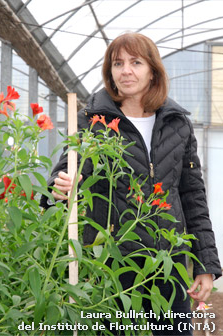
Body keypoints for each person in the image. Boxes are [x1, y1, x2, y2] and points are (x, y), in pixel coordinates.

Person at [40, 33, 222, 335]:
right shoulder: (94, 119)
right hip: (112, 265)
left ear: (153, 70)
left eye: (136, 62)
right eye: (118, 63)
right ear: (109, 71)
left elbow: (193, 197)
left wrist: (206, 265)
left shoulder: (178, 123)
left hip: (167, 264)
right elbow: (71, 165)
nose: (126, 70)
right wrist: (61, 184)